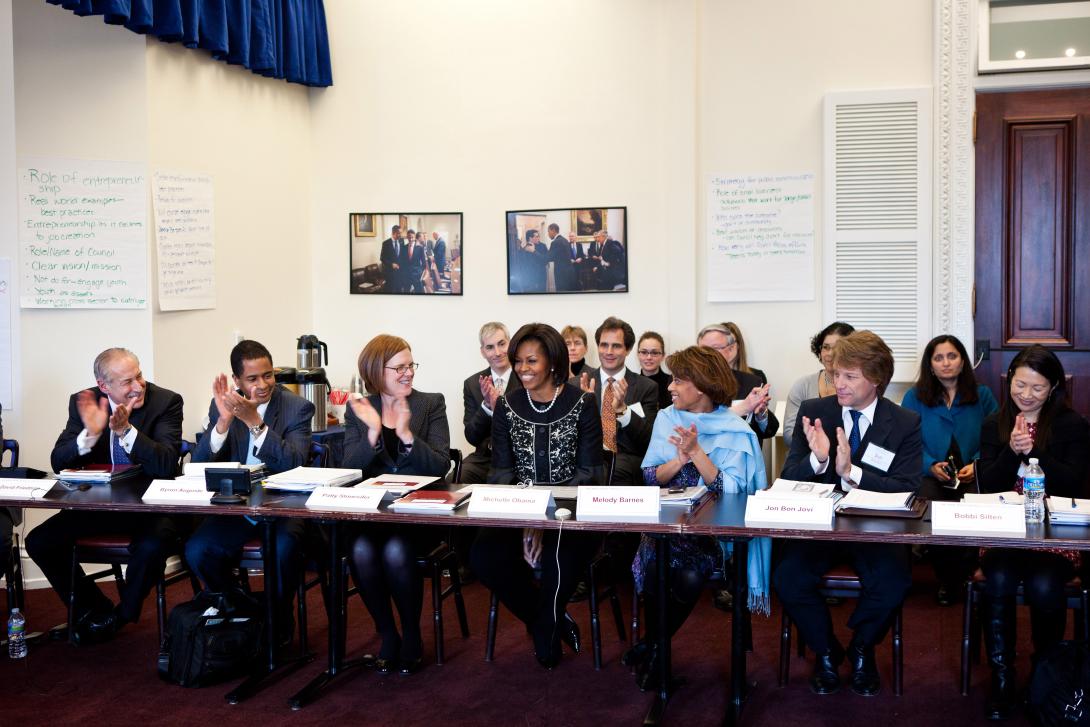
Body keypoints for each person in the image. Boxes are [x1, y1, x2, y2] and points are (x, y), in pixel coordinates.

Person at [772, 331, 922, 697]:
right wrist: (818, 458)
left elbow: (907, 486)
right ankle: (826, 651)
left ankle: (861, 647)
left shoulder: (904, 422)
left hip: (875, 528)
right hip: (820, 525)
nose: (838, 383)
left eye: (850, 376)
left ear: (876, 379)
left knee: (893, 582)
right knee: (787, 578)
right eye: (837, 373)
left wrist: (850, 472)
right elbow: (788, 477)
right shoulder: (815, 411)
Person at [626, 346, 769, 690]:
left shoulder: (735, 429)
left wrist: (696, 452)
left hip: (712, 533)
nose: (670, 387)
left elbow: (732, 491)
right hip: (665, 525)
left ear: (702, 386)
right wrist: (677, 460)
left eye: (678, 380)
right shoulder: (666, 418)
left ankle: (654, 647)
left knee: (687, 575)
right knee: (658, 565)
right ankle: (657, 648)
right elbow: (649, 476)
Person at [27, 348, 185, 644]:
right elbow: (58, 460)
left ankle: (122, 615)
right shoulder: (84, 402)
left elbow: (166, 464)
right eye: (127, 381)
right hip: (98, 507)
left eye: (139, 375)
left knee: (154, 544)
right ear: (104, 386)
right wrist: (88, 435)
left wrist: (126, 431)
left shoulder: (165, 401)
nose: (138, 386)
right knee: (39, 541)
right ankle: (93, 609)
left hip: (148, 507)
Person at [469, 323, 604, 668]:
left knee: (562, 554)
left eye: (531, 361)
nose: (522, 369)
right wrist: (527, 520)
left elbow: (589, 474)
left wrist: (546, 521)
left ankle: (545, 628)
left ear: (554, 363)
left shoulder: (584, 403)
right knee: (483, 555)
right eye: (518, 362)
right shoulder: (507, 406)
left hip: (572, 512)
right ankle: (548, 619)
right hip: (518, 508)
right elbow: (501, 472)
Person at [975, 345, 1090, 720]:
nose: (1026, 394)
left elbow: (1076, 482)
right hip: (1004, 532)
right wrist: (1011, 451)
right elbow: (985, 486)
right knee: (1000, 578)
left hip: (1053, 536)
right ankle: (1003, 675)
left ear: (1054, 386)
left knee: (1044, 584)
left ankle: (1045, 672)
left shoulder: (1072, 424)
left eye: (1037, 388)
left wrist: (1033, 453)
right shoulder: (995, 422)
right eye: (1020, 385)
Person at [184, 340, 314, 644]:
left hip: (286, 505)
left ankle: (279, 617)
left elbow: (295, 462)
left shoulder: (297, 407)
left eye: (268, 375)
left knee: (282, 549)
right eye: (253, 378)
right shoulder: (227, 404)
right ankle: (246, 607)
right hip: (241, 505)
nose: (263, 384)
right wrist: (223, 423)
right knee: (198, 550)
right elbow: (199, 464)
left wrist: (256, 424)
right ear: (237, 381)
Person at [342, 334, 450, 675]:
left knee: (395, 551)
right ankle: (388, 634)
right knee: (359, 550)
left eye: (410, 365)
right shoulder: (359, 408)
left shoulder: (431, 403)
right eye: (399, 367)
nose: (408, 373)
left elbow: (440, 465)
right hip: (373, 514)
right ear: (377, 371)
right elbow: (347, 468)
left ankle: (413, 634)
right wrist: (373, 433)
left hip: (417, 514)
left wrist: (406, 437)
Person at [901, 334, 998, 606]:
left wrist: (976, 463)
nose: (946, 363)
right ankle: (947, 579)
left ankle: (968, 575)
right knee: (934, 511)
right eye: (939, 358)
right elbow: (906, 443)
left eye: (952, 356)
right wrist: (929, 465)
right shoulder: (914, 396)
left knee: (975, 510)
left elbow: (996, 437)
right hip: (931, 473)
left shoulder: (983, 395)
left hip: (971, 472)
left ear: (963, 361)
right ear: (930, 365)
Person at [575, 316, 659, 484]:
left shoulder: (646, 387)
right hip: (587, 462)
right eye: (604, 345)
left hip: (626, 465)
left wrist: (623, 411)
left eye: (616, 346)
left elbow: (649, 439)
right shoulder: (578, 384)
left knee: (618, 468)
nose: (609, 352)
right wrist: (585, 407)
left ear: (627, 350)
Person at [697, 324, 779, 441]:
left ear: (731, 349)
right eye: (703, 350)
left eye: (714, 349)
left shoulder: (752, 381)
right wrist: (741, 409)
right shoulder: (685, 381)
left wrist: (761, 414)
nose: (707, 355)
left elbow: (768, 430)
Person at [461, 322, 518, 486]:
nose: (498, 352)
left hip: (518, 459)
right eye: (490, 347)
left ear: (510, 343)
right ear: (483, 352)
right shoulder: (472, 384)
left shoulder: (525, 378)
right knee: (457, 478)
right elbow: (471, 436)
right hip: (486, 458)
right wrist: (486, 406)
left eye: (502, 344)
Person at [784, 321, 855, 449]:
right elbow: (789, 436)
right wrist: (819, 444)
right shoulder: (802, 386)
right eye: (826, 347)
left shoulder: (857, 388)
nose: (830, 353)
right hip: (807, 459)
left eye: (837, 347)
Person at [637, 331, 671, 409]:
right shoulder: (629, 384)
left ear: (663, 356)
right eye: (644, 352)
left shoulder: (672, 383)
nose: (649, 357)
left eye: (654, 353)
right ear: (638, 354)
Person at [380, 224, 404, 293]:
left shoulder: (401, 241)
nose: (400, 235)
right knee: (392, 291)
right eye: (399, 233)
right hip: (390, 274)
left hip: (400, 273)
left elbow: (402, 255)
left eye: (401, 233)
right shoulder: (386, 243)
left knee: (400, 291)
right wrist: (391, 264)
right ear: (394, 233)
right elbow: (382, 258)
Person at [402, 229, 427, 294]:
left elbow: (424, 263)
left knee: (420, 292)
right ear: (407, 237)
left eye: (412, 237)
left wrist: (419, 272)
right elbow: (403, 262)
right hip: (407, 275)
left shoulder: (420, 248)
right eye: (409, 237)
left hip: (416, 275)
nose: (410, 239)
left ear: (415, 237)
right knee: (406, 292)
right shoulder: (404, 247)